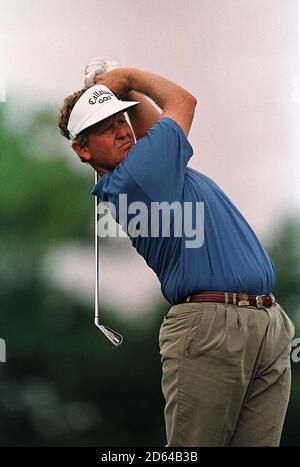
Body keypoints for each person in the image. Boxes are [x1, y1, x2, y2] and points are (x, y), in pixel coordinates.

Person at [57, 62, 295, 447]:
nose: (120, 131)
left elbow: (152, 123)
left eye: (119, 120)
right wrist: (127, 79)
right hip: (211, 326)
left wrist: (117, 91)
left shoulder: (151, 166)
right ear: (81, 149)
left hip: (266, 322)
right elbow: (182, 101)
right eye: (104, 129)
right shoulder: (137, 176)